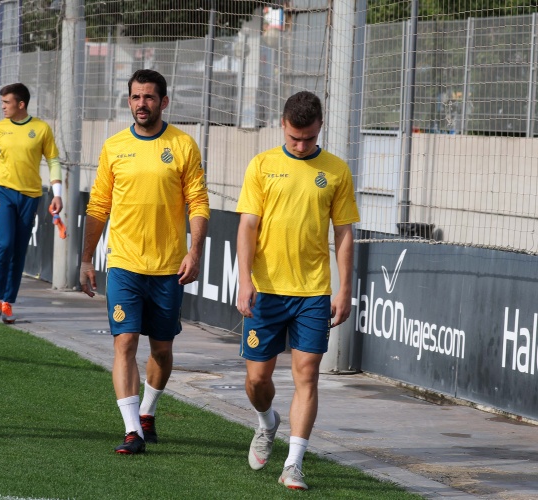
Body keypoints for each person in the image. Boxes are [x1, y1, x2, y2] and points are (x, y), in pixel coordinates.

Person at [80, 69, 209, 455]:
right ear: (129, 101)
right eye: (136, 97)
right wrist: (86, 259)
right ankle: (132, 430)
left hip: (168, 268)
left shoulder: (183, 145)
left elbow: (198, 202)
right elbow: (98, 206)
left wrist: (194, 251)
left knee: (161, 351)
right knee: (125, 342)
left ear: (163, 102)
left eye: (149, 97)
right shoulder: (114, 146)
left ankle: (147, 412)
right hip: (124, 263)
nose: (142, 104)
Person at [235, 91, 359, 490]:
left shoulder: (336, 171)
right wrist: (244, 280)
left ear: (320, 126)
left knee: (307, 374)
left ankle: (293, 463)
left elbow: (344, 233)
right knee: (257, 381)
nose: (301, 145)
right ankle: (266, 422)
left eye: (308, 138)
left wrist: (344, 289)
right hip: (266, 291)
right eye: (293, 138)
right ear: (283, 125)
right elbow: (248, 226)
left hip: (313, 292)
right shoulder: (262, 165)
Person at [0, 83, 62, 324]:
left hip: (30, 196)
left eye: (6, 102)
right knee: (6, 244)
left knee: (19, 249)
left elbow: (53, 161)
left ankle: (8, 302)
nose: (2, 107)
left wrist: (57, 193)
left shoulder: (41, 129)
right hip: (4, 193)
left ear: (21, 104)